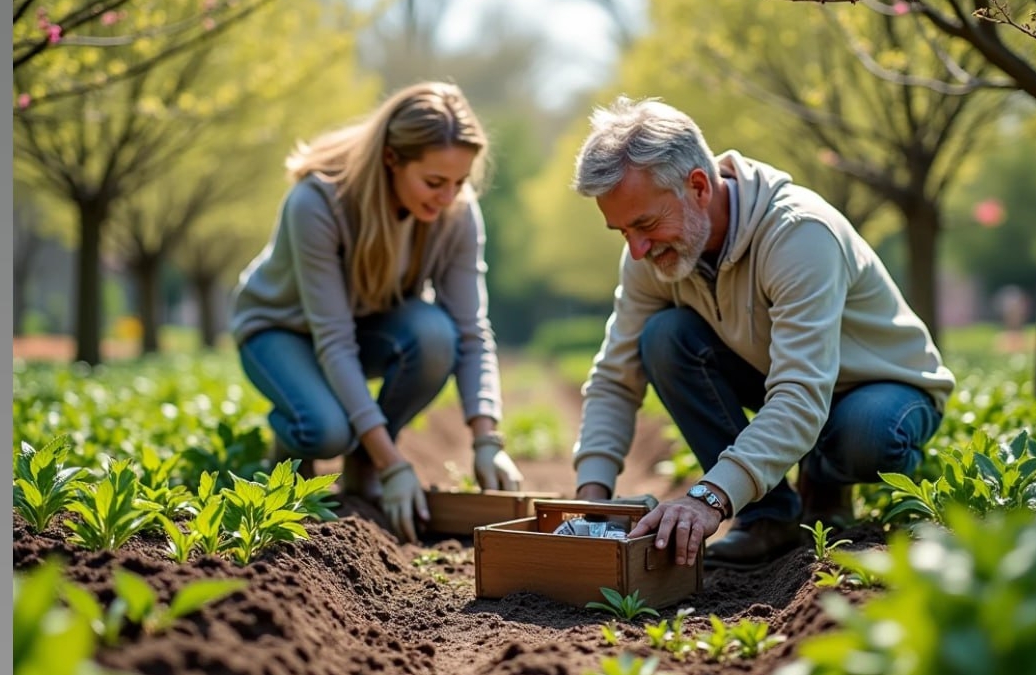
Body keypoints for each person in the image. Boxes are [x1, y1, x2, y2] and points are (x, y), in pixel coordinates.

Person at [568, 96, 956, 569]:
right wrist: (592, 501)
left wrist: (709, 498)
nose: (636, 248)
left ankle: (825, 477)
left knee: (867, 436)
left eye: (645, 224)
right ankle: (767, 517)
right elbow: (615, 375)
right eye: (621, 231)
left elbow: (800, 392)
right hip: (781, 376)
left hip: (881, 387)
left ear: (698, 187)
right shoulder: (652, 254)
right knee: (664, 338)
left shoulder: (799, 235)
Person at [228, 81, 524, 544]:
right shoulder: (317, 202)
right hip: (279, 331)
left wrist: (487, 440)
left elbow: (471, 333)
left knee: (435, 336)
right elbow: (334, 340)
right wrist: (396, 465)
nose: (448, 198)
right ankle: (291, 444)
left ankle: (363, 460)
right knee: (327, 431)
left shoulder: (457, 214)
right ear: (392, 159)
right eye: (433, 182)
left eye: (459, 182)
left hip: (365, 328)